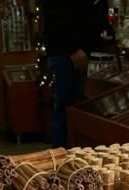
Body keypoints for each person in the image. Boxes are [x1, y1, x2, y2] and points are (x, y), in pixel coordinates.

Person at [43, 0, 108, 148]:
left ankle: (68, 157)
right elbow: (56, 17)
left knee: (72, 108)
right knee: (67, 110)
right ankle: (61, 159)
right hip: (68, 53)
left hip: (73, 51)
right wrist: (73, 49)